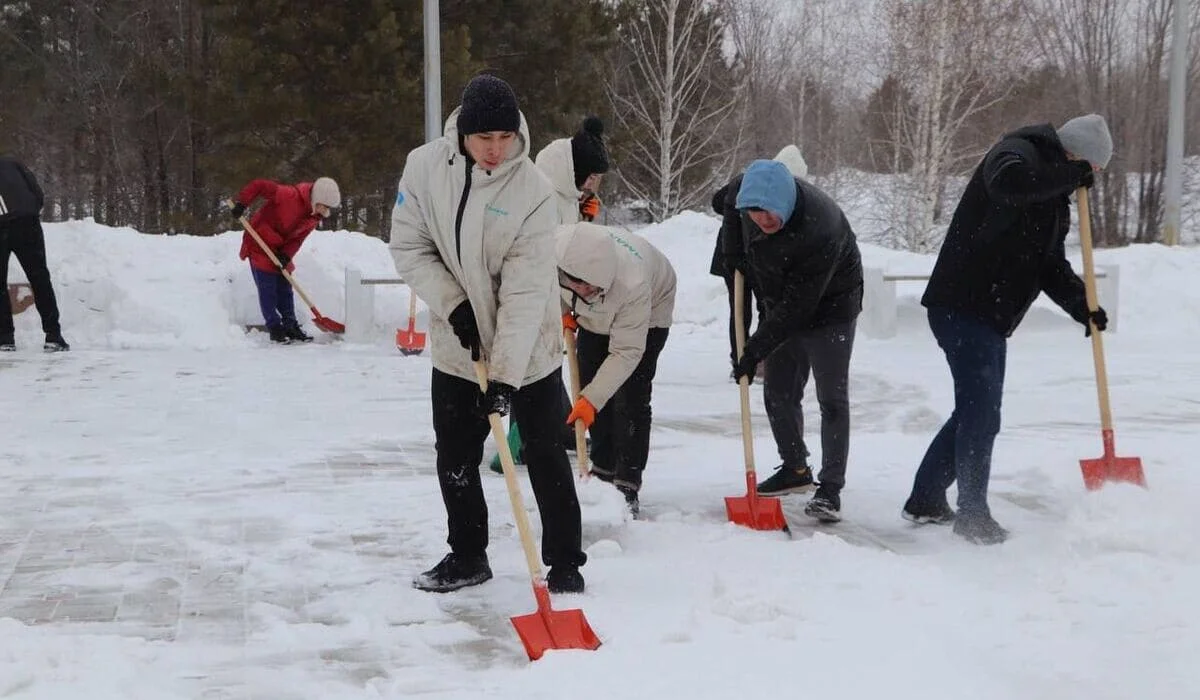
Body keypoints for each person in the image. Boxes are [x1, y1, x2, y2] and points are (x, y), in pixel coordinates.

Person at [389, 73, 587, 594]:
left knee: (544, 451)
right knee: (454, 454)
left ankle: (565, 561)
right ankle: (468, 554)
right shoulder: (424, 168)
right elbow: (410, 247)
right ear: (463, 132)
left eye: (505, 138)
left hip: (529, 348)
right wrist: (454, 305)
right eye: (485, 139)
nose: (496, 150)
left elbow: (524, 295)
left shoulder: (534, 193)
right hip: (457, 348)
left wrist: (504, 378)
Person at [902, 114, 1112, 545]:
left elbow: (1049, 265)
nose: (1089, 180)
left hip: (987, 315)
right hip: (961, 303)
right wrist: (1070, 175)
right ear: (1079, 158)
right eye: (1094, 170)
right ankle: (972, 513)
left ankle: (925, 498)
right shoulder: (1017, 150)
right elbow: (1009, 185)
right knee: (982, 412)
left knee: (975, 410)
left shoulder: (1054, 203)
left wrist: (1082, 306)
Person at [718, 159, 863, 523]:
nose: (763, 222)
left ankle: (830, 489)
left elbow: (798, 308)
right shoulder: (741, 200)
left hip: (830, 305)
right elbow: (735, 268)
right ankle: (795, 468)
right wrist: (742, 345)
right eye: (755, 214)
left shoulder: (821, 228)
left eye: (770, 215)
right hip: (779, 296)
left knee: (831, 397)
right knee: (778, 391)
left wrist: (755, 349)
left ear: (786, 203)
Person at [487, 115, 613, 473]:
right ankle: (518, 439)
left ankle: (555, 429)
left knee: (547, 363)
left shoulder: (566, 192)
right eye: (590, 179)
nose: (593, 186)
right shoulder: (541, 191)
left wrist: (584, 219)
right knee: (529, 364)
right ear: (576, 171)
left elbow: (570, 247)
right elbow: (545, 252)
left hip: (551, 292)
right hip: (528, 291)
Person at [556, 222, 676, 517]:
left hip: (648, 312)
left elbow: (627, 352)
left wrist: (591, 399)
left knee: (630, 396)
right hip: (594, 312)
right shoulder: (554, 253)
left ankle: (627, 480)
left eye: (595, 288)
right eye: (584, 286)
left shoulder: (632, 284)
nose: (589, 291)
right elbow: (541, 288)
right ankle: (603, 466)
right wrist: (561, 311)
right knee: (589, 378)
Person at [710, 145, 809, 377]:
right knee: (740, 309)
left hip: (763, 258)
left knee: (768, 305)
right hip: (733, 255)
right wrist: (739, 215)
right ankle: (739, 361)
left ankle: (763, 356)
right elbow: (717, 202)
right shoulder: (747, 182)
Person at [229, 176, 341, 343]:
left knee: (285, 289)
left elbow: (297, 240)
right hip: (259, 243)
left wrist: (286, 255)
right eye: (324, 207)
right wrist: (242, 203)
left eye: (327, 209)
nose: (324, 212)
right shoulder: (288, 195)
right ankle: (274, 328)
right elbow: (259, 185)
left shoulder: (313, 217)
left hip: (280, 249)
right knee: (268, 290)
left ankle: (290, 325)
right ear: (316, 199)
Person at [0, 155, 68, 352]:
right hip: (26, 223)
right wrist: (30, 213)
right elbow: (37, 192)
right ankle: (53, 335)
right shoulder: (13, 163)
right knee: (39, 277)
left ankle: (5, 339)